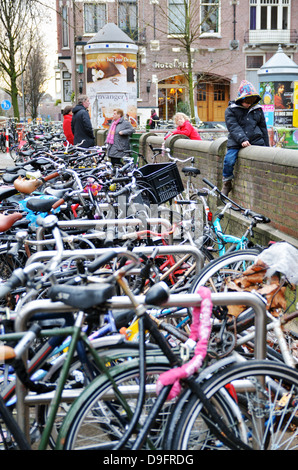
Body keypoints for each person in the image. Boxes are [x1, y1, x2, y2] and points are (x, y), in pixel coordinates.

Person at [222, 80, 269, 196]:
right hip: (236, 142)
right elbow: (233, 127)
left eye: (251, 101)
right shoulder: (231, 110)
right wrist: (242, 139)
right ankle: (227, 182)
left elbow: (263, 128)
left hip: (256, 140)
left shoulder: (257, 109)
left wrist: (268, 147)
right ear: (241, 99)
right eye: (247, 101)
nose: (249, 104)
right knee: (228, 161)